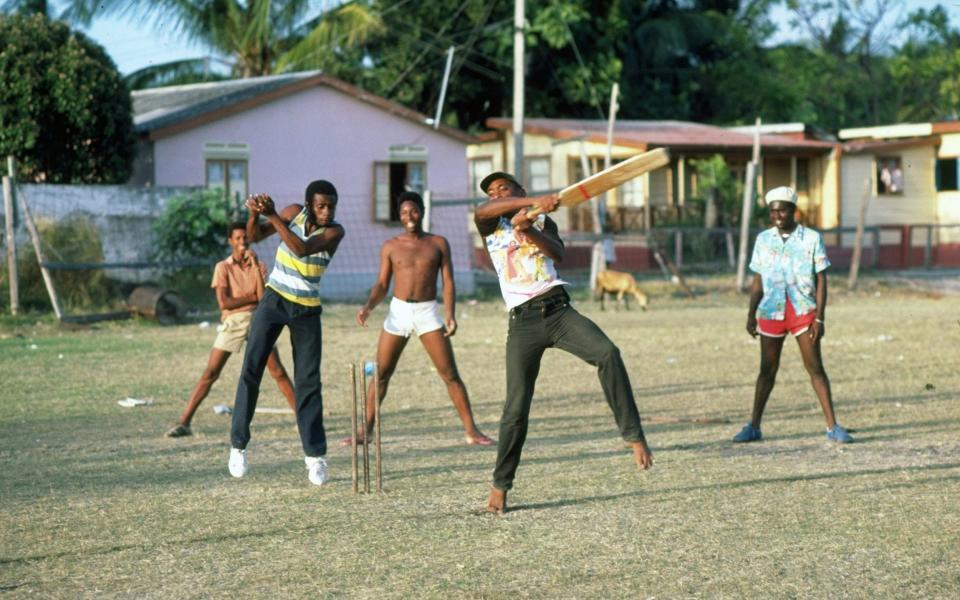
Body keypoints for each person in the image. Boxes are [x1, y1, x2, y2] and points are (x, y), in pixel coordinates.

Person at [474, 172, 653, 515]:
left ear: (520, 189)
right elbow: (484, 210)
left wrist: (530, 227)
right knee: (515, 408)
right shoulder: (490, 226)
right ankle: (500, 485)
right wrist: (528, 205)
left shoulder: (543, 221)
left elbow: (558, 254)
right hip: (523, 324)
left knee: (608, 354)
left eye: (504, 189)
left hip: (558, 310)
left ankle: (633, 435)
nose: (497, 195)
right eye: (493, 192)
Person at [351, 191, 492, 446]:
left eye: (413, 211)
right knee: (381, 373)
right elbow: (382, 283)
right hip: (399, 312)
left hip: (428, 313)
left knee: (450, 374)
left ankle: (472, 431)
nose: (409, 216)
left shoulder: (438, 243)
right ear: (399, 216)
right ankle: (365, 432)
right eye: (404, 212)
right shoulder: (391, 245)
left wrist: (450, 314)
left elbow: (447, 281)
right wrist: (368, 306)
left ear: (422, 212)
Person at [228, 180, 345, 486]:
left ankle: (315, 457)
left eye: (331, 205)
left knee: (308, 382)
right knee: (251, 369)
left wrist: (274, 216)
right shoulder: (293, 213)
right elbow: (254, 237)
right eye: (321, 205)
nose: (327, 210)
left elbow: (303, 250)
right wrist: (256, 215)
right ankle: (238, 446)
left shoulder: (335, 231)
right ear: (308, 205)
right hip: (274, 300)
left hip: (306, 310)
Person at [733, 186, 853, 444]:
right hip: (771, 311)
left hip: (803, 311)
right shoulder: (763, 240)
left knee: (815, 368)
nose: (778, 216)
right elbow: (758, 281)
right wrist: (750, 314)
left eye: (782, 210)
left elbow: (821, 279)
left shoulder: (811, 238)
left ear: (793, 211)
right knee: (767, 369)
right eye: (773, 211)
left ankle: (833, 426)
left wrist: (819, 318)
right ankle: (753, 426)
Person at [165, 222, 296, 438]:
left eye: (245, 237)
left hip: (257, 320)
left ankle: (303, 419)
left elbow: (263, 300)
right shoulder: (222, 267)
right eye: (237, 238)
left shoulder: (258, 265)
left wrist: (254, 269)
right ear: (231, 241)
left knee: (277, 371)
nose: (242, 241)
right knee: (211, 373)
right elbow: (224, 302)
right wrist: (251, 297)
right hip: (233, 322)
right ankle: (184, 422)